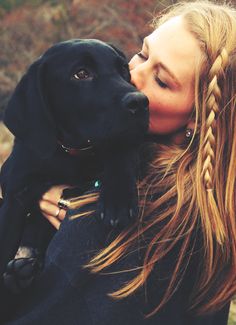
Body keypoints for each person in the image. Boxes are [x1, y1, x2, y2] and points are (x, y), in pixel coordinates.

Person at [4, 1, 236, 324]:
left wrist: (78, 210)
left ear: (199, 117)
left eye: (162, 81)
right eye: (141, 54)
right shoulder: (213, 215)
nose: (131, 79)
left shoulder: (119, 225)